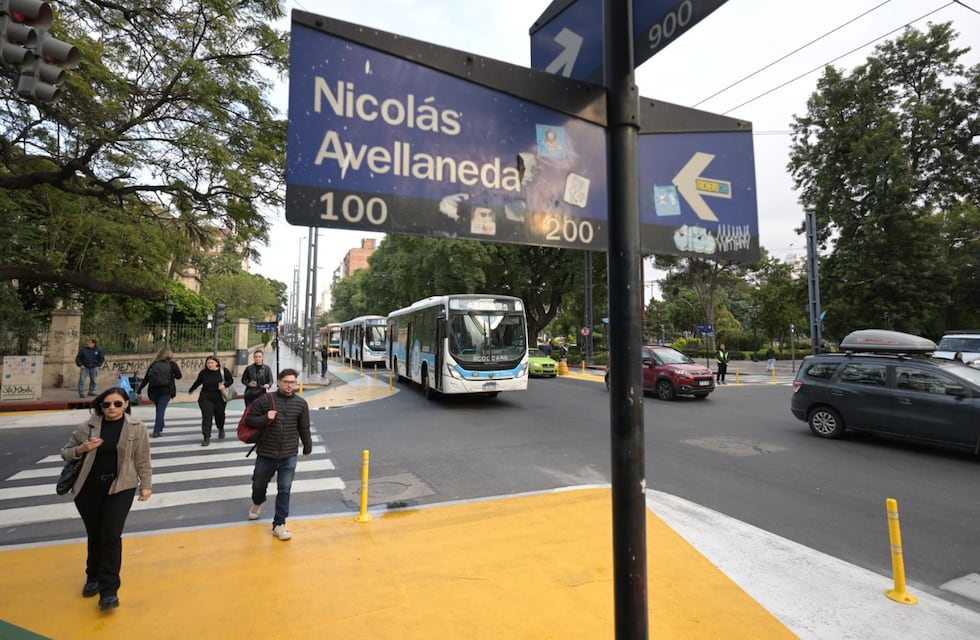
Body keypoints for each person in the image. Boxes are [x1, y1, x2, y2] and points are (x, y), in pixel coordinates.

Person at [60, 387, 152, 612]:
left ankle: (109, 591)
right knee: (95, 535)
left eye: (117, 404)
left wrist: (146, 485)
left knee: (110, 536)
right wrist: (82, 449)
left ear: (126, 405)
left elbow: (143, 458)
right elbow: (66, 452)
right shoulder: (86, 428)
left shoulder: (136, 428)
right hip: (88, 490)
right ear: (100, 406)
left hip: (121, 487)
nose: (112, 408)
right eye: (107, 404)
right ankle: (93, 577)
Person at [246, 368, 312, 541]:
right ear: (279, 382)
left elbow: (304, 427)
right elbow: (250, 419)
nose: (290, 385)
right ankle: (258, 502)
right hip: (266, 452)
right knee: (259, 484)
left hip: (289, 454)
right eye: (287, 382)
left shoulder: (301, 404)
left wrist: (307, 447)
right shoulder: (266, 400)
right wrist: (266, 418)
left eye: (293, 382)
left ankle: (279, 524)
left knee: (285, 489)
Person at [188, 355, 234, 446]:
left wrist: (224, 385)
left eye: (212, 363)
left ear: (216, 363)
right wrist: (191, 389)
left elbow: (230, 380)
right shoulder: (204, 373)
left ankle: (221, 428)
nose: (210, 365)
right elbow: (198, 382)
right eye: (208, 363)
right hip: (206, 397)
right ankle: (206, 437)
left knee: (219, 415)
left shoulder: (223, 371)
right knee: (206, 416)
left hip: (220, 397)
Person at [137, 346, 182, 438]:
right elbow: (179, 376)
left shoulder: (154, 364)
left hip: (153, 391)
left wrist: (139, 390)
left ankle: (160, 425)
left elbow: (146, 379)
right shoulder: (172, 364)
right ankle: (156, 430)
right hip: (166, 390)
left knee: (159, 409)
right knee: (161, 410)